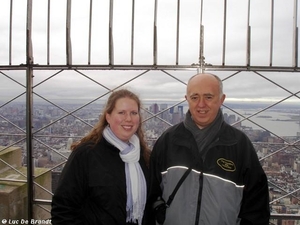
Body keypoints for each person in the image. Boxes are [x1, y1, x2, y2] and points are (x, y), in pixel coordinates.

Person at [147, 73, 270, 225]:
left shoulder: (239, 144)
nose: (201, 104)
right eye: (194, 97)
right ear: (187, 100)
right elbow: (151, 192)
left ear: (221, 100)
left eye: (209, 97)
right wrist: (160, 213)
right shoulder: (167, 141)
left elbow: (257, 206)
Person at [51, 89, 151, 225]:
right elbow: (63, 208)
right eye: (121, 112)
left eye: (133, 113)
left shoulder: (143, 155)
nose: (128, 118)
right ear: (108, 117)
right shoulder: (86, 154)